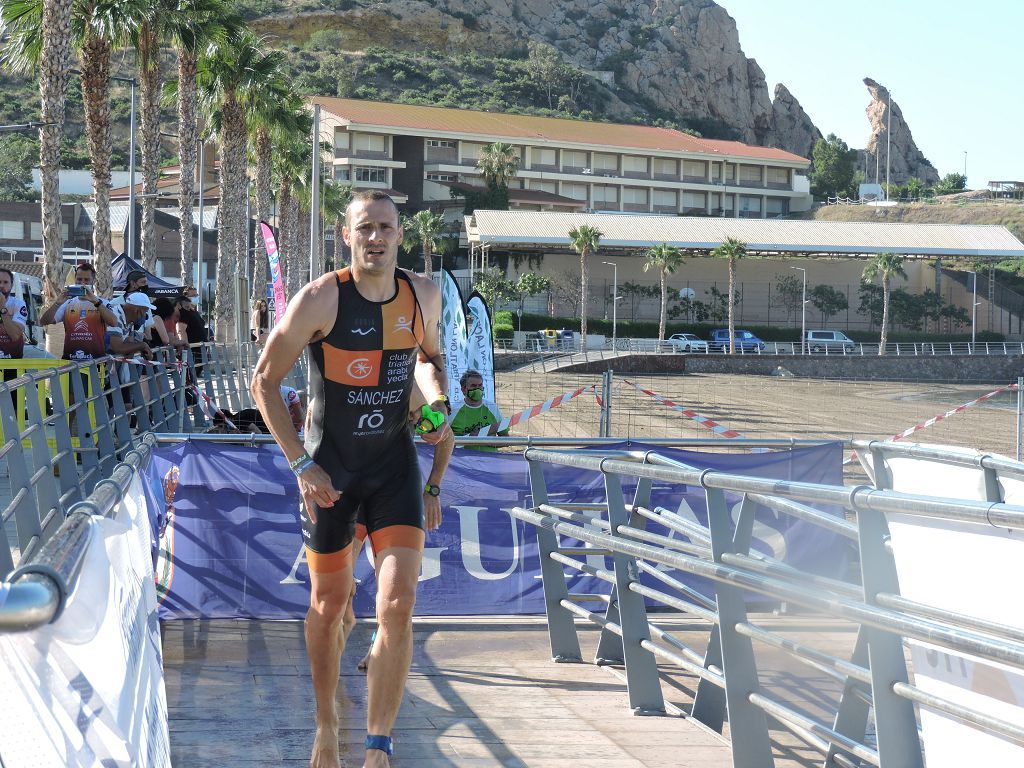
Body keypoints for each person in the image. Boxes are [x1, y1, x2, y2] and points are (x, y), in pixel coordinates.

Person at [251, 190, 449, 768]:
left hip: (393, 468)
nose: (376, 237)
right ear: (347, 235)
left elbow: (429, 360)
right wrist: (299, 463)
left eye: (385, 227)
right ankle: (325, 724)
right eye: (365, 228)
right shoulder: (320, 300)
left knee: (398, 603)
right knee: (328, 603)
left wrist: (433, 401)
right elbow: (263, 380)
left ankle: (378, 744)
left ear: (399, 236)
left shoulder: (423, 296)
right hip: (330, 472)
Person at [342, 386, 455, 672]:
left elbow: (446, 436)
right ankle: (333, 651)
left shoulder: (403, 382)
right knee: (340, 585)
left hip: (392, 495)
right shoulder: (342, 379)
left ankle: (378, 647)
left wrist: (432, 489)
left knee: (393, 593)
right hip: (351, 492)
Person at [39, 262, 119, 361]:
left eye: (86, 280)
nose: (82, 283)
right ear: (75, 279)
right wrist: (57, 303)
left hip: (95, 361)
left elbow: (114, 323)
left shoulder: (103, 303)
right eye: (79, 279)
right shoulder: (67, 303)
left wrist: (96, 302)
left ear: (93, 281)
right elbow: (44, 321)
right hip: (71, 361)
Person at [449, 368, 507, 449]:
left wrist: (482, 441)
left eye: (480, 385)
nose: (478, 389)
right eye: (473, 386)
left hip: (489, 459)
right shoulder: (453, 410)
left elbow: (506, 439)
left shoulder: (492, 407)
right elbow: (442, 440)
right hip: (462, 460)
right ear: (463, 389)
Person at [0, 266, 29, 383]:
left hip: (13, 364)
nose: (1, 285)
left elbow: (15, 335)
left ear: (11, 285)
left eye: (5, 282)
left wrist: (2, 307)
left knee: (14, 400)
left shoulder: (18, 304)